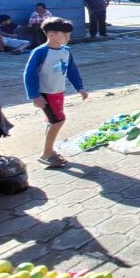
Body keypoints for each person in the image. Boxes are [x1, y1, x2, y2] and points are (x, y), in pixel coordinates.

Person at [23, 18, 87, 168]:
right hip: (46, 94)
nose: (67, 37)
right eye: (64, 35)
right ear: (51, 34)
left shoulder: (66, 51)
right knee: (58, 121)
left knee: (53, 121)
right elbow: (29, 74)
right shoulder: (40, 52)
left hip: (58, 92)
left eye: (69, 35)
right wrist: (35, 96)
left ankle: (50, 151)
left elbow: (72, 70)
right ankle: (46, 154)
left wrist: (80, 87)